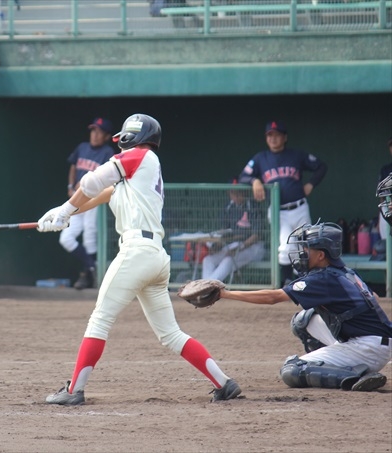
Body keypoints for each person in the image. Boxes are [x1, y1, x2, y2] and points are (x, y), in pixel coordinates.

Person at [36, 113, 242, 405]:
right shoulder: (135, 176)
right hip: (153, 256)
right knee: (170, 334)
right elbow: (96, 196)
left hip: (137, 252)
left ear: (133, 137)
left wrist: (67, 209)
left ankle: (73, 392)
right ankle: (224, 383)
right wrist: (59, 213)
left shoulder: (141, 156)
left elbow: (91, 181)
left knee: (99, 320)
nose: (120, 144)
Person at [219, 222, 392, 392]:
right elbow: (374, 298)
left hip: (367, 348)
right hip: (373, 341)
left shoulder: (323, 278)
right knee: (303, 321)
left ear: (321, 255)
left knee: (292, 370)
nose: (302, 252)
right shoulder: (345, 272)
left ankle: (356, 375)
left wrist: (225, 294)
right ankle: (335, 363)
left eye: (307, 249)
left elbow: (273, 297)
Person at [238, 121, 328, 286]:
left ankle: (301, 283)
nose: (273, 138)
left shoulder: (296, 155)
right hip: (278, 211)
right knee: (286, 247)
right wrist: (254, 181)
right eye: (270, 135)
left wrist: (311, 184)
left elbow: (321, 166)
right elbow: (243, 176)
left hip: (300, 208)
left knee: (304, 247)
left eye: (277, 135)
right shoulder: (260, 158)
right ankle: (286, 282)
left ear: (285, 137)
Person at [61, 117, 116, 290]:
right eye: (93, 130)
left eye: (99, 132)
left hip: (94, 200)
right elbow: (73, 166)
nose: (95, 134)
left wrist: (84, 186)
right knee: (66, 238)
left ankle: (89, 276)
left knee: (90, 237)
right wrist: (70, 186)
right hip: (77, 200)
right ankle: (91, 267)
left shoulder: (108, 152)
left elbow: (109, 178)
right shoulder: (82, 147)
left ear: (107, 136)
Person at [201, 179, 266, 283]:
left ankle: (207, 287)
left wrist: (240, 247)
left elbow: (257, 235)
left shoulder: (253, 207)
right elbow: (225, 232)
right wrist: (217, 245)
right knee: (208, 260)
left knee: (228, 259)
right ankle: (206, 286)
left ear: (245, 192)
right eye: (233, 192)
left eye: (238, 192)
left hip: (254, 248)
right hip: (233, 246)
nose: (236, 195)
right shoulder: (229, 207)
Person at [376, 137, 392, 237]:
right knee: (386, 239)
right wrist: (380, 217)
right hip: (387, 208)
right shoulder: (385, 170)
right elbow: (381, 196)